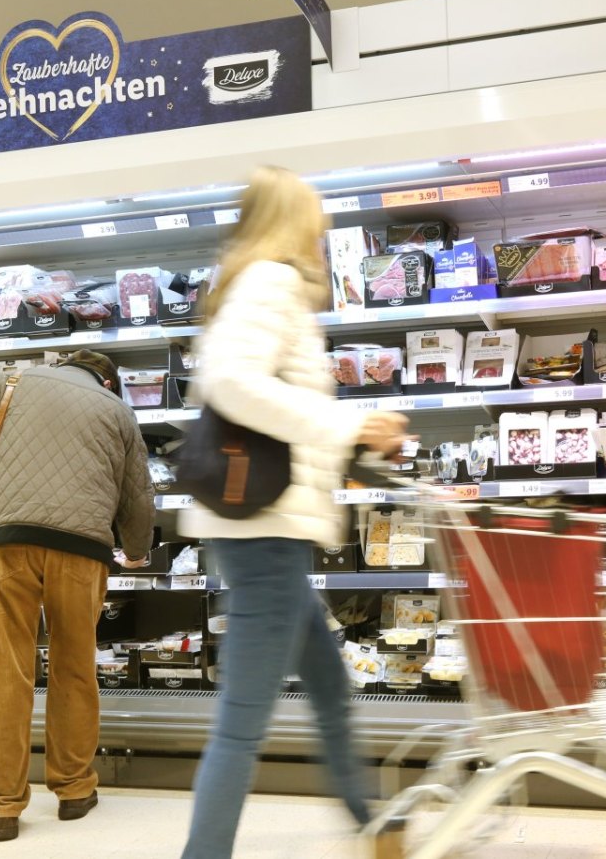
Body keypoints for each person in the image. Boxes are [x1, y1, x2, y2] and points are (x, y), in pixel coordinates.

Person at [178, 166, 411, 859]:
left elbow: (275, 408)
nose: (323, 233)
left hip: (267, 532)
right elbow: (233, 385)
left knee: (331, 688)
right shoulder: (271, 284)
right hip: (264, 532)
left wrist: (363, 440)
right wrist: (349, 427)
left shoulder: (258, 286)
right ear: (292, 221)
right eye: (315, 219)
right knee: (243, 723)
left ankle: (370, 825)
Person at [0, 349, 155, 842]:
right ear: (108, 383)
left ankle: (1, 806)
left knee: (4, 669)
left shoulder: (14, 380)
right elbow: (137, 494)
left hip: (9, 539)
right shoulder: (119, 412)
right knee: (74, 665)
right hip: (82, 548)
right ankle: (75, 789)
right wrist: (137, 552)